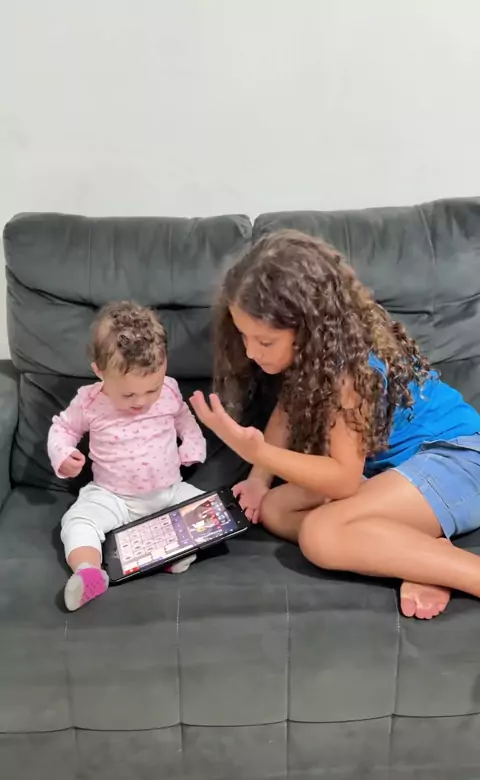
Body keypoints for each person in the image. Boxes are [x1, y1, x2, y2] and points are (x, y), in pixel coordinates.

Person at [190, 230, 480, 620]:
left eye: (265, 341)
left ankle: (463, 572)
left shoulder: (352, 371)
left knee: (321, 534)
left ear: (308, 328)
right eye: (244, 336)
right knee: (275, 508)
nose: (250, 352)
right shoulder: (313, 357)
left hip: (456, 459)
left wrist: (257, 452)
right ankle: (417, 555)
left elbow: (343, 480)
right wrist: (258, 479)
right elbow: (286, 412)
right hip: (390, 475)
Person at [48, 301, 206, 611]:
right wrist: (63, 454)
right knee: (77, 521)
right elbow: (62, 428)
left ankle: (167, 553)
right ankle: (89, 573)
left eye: (151, 390)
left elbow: (184, 418)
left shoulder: (170, 390)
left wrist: (192, 444)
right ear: (99, 372)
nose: (142, 401)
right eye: (129, 394)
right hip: (112, 496)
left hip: (169, 492)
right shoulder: (89, 401)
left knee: (209, 511)